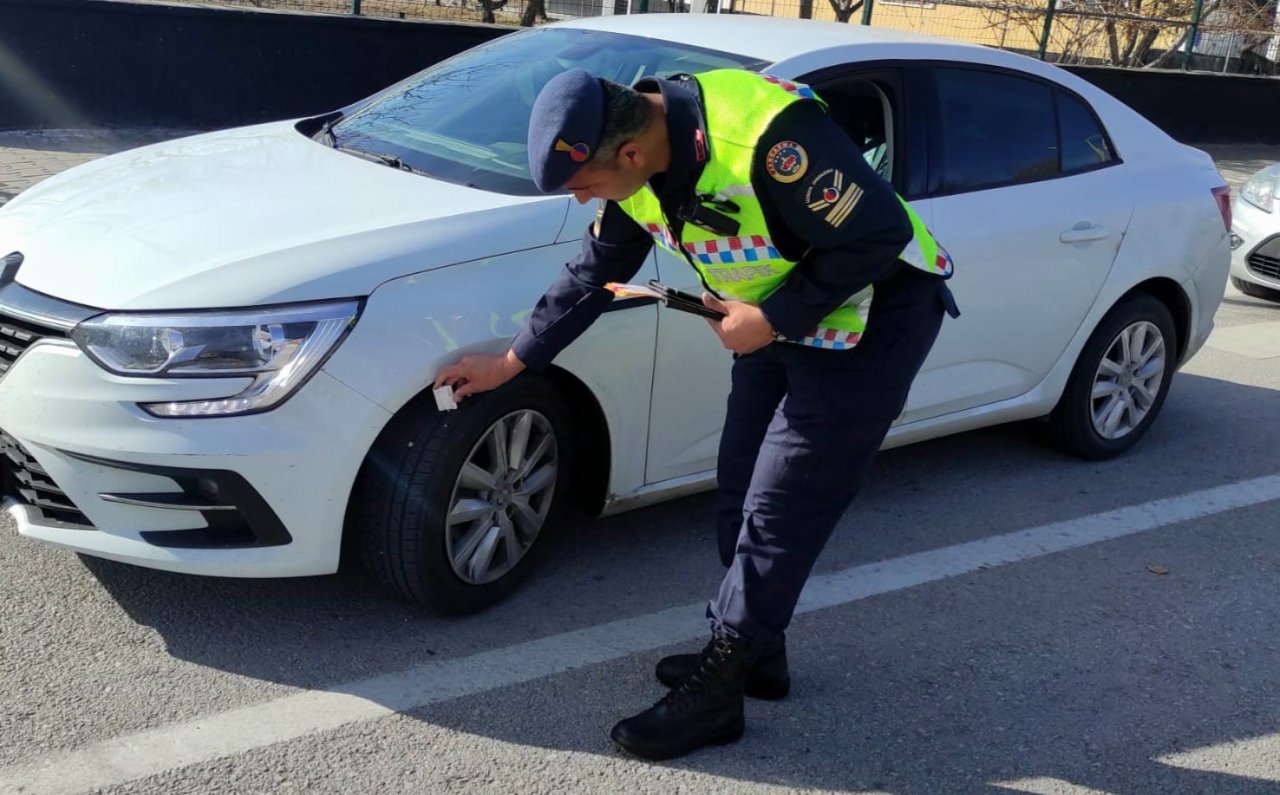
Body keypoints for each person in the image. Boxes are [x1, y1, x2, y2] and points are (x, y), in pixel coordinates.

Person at [433, 67, 959, 761]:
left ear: (629, 153)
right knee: (739, 488)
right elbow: (595, 272)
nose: (583, 199)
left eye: (585, 185)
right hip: (777, 319)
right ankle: (759, 655)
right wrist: (510, 362)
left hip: (873, 318)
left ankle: (718, 691)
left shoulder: (770, 140)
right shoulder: (637, 158)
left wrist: (771, 319)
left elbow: (878, 231)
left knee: (782, 506)